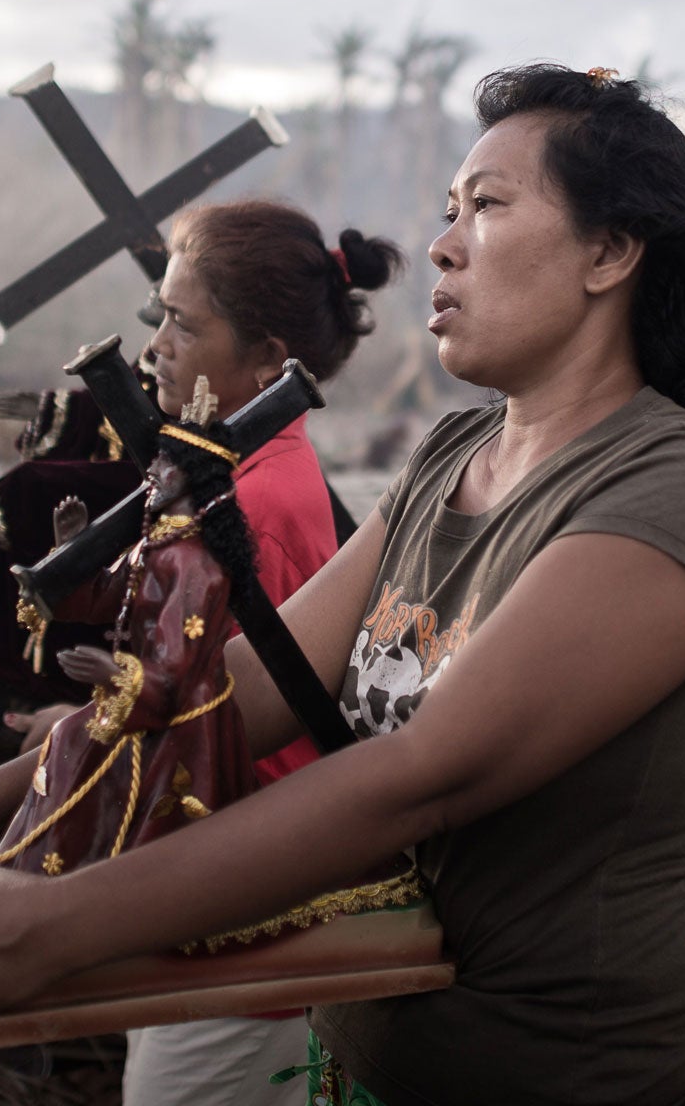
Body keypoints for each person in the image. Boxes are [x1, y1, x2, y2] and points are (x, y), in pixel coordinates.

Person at [0, 64, 685, 1106]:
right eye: (446, 211)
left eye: (487, 206)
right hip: (360, 1059)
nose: (441, 243)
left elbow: (424, 774)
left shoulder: (671, 484)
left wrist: (61, 923)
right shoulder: (448, 456)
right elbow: (238, 691)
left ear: (608, 252)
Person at [25, 199, 404, 1105]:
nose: (153, 343)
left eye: (181, 323)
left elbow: (219, 726)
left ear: (272, 358)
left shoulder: (254, 506)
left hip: (247, 899)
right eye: (158, 315)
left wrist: (89, 729)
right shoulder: (232, 472)